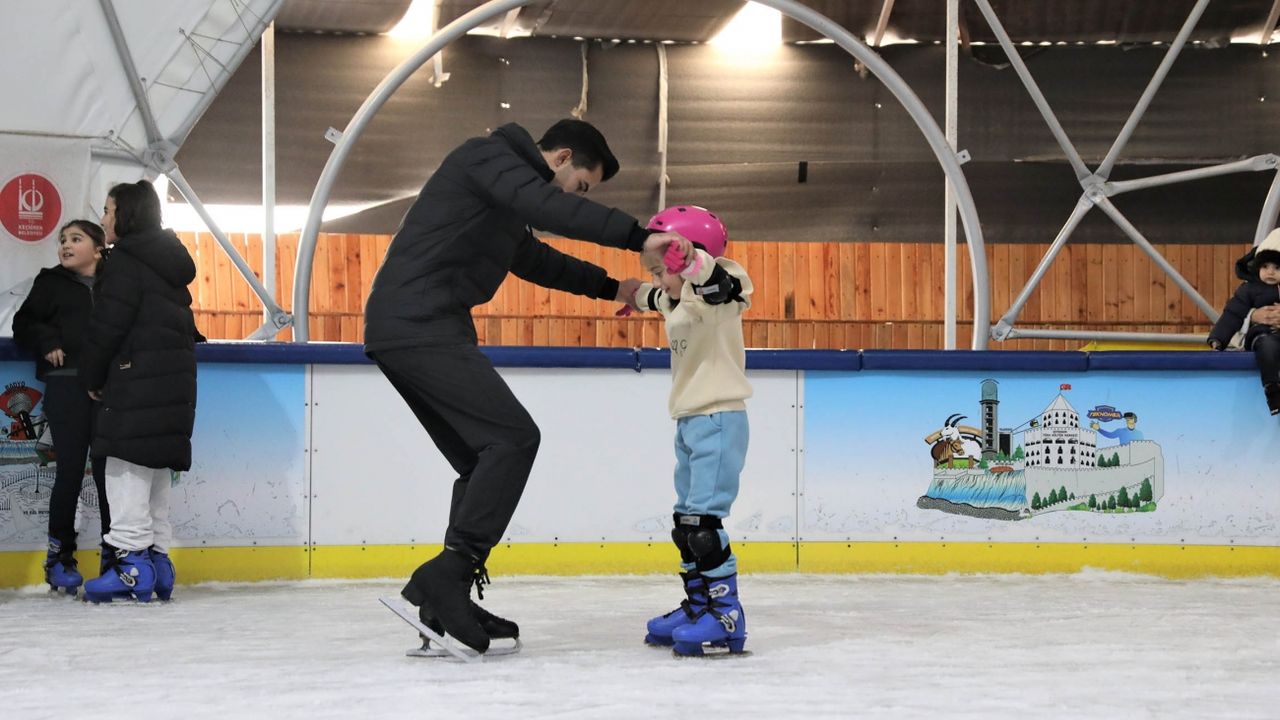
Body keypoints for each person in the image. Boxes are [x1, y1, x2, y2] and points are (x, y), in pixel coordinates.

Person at [364, 119, 688, 653]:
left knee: (481, 458)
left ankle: (444, 597)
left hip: (418, 325)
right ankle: (445, 576)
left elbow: (536, 259)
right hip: (417, 323)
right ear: (561, 158)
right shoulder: (485, 158)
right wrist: (639, 238)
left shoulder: (503, 194)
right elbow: (550, 209)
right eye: (582, 184)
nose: (574, 196)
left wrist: (613, 287)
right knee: (513, 439)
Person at [628, 205, 753, 656]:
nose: (661, 279)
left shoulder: (723, 287)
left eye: (665, 269)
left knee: (703, 526)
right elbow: (650, 296)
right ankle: (699, 607)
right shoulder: (676, 297)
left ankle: (726, 618)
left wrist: (687, 260)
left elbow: (714, 281)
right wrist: (627, 291)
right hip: (689, 420)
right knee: (685, 525)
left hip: (719, 418)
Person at [80, 180, 199, 603]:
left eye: (109, 210)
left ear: (126, 215)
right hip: (173, 385)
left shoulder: (126, 262)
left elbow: (106, 328)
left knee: (127, 471)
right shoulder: (167, 263)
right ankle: (159, 564)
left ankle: (132, 567)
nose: (103, 219)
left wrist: (93, 378)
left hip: (135, 384)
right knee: (154, 476)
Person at [13, 220, 112, 594]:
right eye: (62, 240)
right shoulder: (50, 282)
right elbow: (25, 323)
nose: (65, 246)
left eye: (76, 239)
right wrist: (48, 338)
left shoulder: (115, 284)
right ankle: (59, 557)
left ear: (99, 248)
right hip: (66, 385)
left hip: (109, 390)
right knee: (69, 471)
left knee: (109, 477)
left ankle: (114, 554)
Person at [1208, 228, 1280, 415]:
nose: (1270, 272)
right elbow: (1232, 314)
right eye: (1265, 267)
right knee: (1268, 345)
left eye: (1277, 268)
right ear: (1257, 267)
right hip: (1261, 335)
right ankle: (1272, 389)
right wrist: (1218, 339)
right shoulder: (1249, 290)